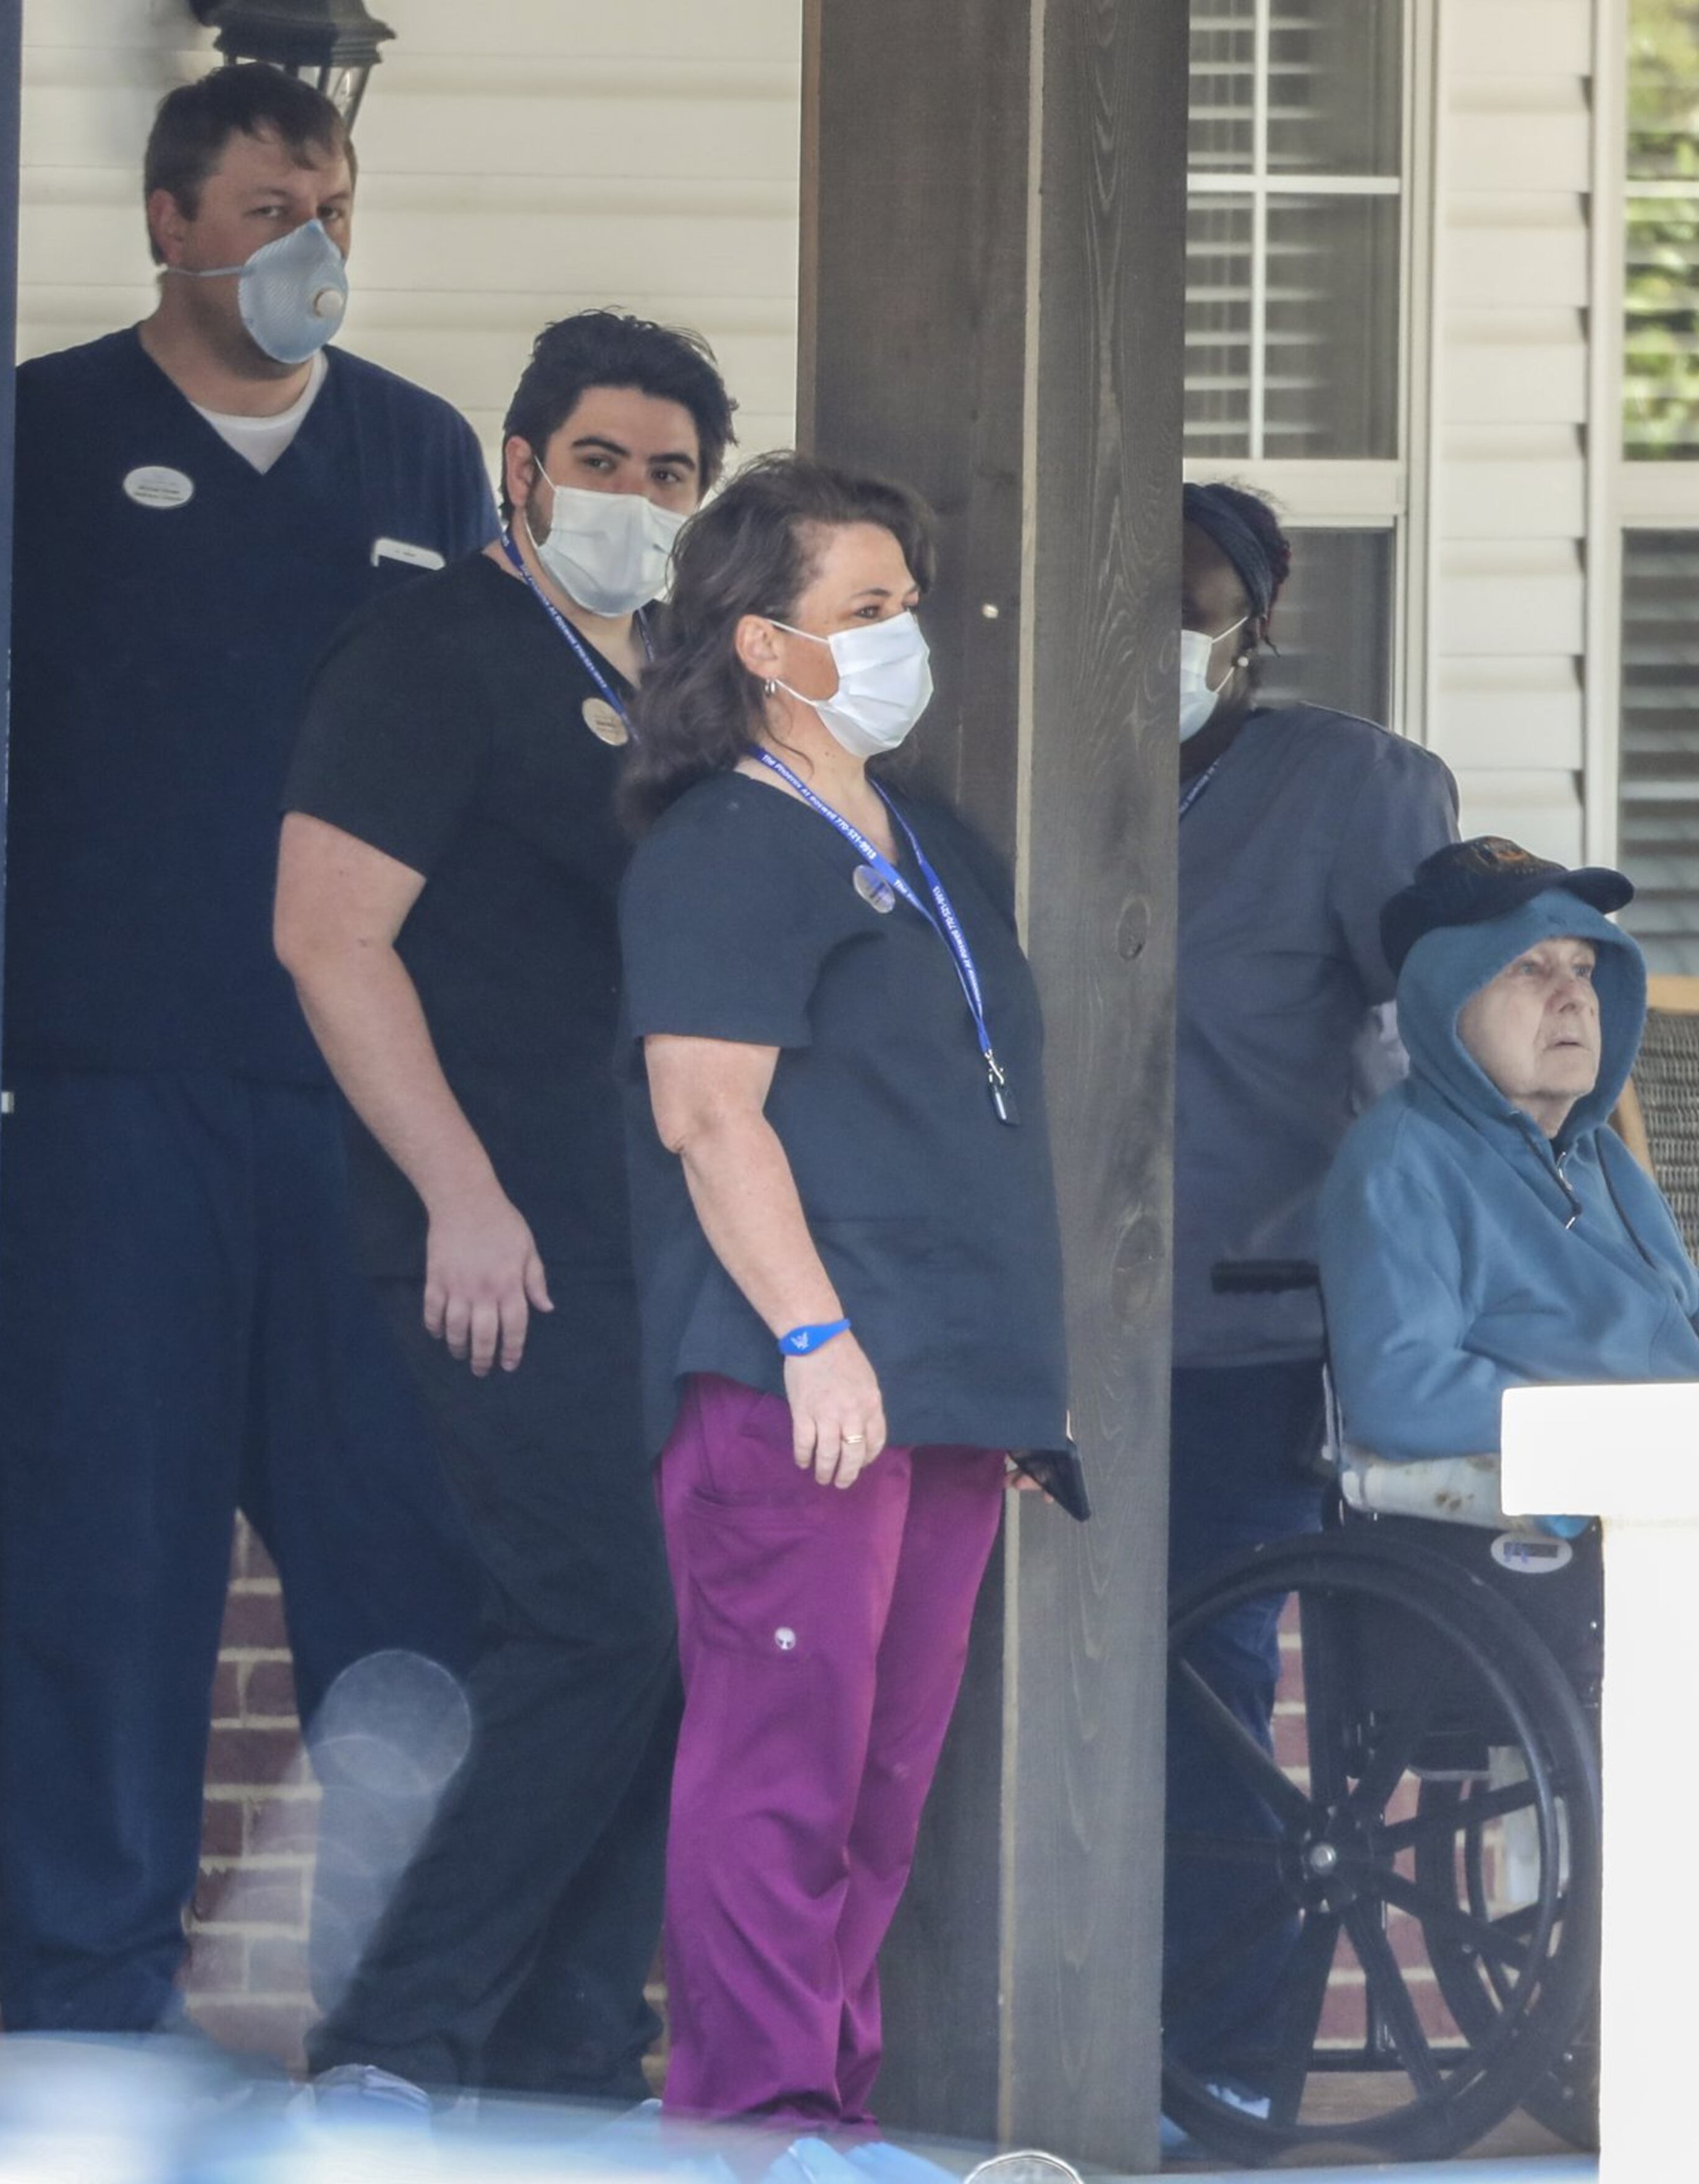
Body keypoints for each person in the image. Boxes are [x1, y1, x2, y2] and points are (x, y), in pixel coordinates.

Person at [0, 64, 492, 2036]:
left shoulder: (420, 458)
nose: (317, 247)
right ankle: (86, 2008)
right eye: (277, 207)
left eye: (339, 206)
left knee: (405, 1573)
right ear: (171, 224)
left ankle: (405, 2017)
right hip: (107, 1101)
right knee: (107, 1569)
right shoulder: (37, 434)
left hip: (367, 1117)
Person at [274, 311, 739, 2103]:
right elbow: (329, 934)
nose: (635, 496)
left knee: (680, 1636)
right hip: (497, 1238)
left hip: (663, 1244)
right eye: (604, 460)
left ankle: (563, 2045)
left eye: (672, 473)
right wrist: (457, 1192)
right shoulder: (431, 651)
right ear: (524, 466)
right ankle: (392, 2040)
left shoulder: (678, 687)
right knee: (599, 1617)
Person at [613, 451, 1077, 2130]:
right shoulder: (730, 843)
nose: (905, 634)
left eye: (908, 603)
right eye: (863, 608)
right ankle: (753, 2117)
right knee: (779, 1764)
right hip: (798, 1381)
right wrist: (815, 1333)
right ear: (759, 642)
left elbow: (960, 1116)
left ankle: (832, 2109)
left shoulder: (928, 837)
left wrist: (1001, 1381)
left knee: (881, 1784)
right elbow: (707, 1109)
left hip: (943, 1390)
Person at [1161, 483, 1459, 2122]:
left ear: (1252, 627)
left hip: (1244, 1324)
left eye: (1193, 601)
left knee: (1200, 1704)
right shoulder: (1008, 769)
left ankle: (1223, 2064)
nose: (1159, 631)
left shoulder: (1351, 789)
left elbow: (1443, 1044)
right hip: (1021, 1332)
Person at [1319, 836, 1699, 1459]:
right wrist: (1634, 1438)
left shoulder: (1600, 1157)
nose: (1577, 997)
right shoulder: (1405, 1165)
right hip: (1572, 1516)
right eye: (1529, 968)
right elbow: (1402, 1394)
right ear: (1446, 999)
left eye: (1583, 969)